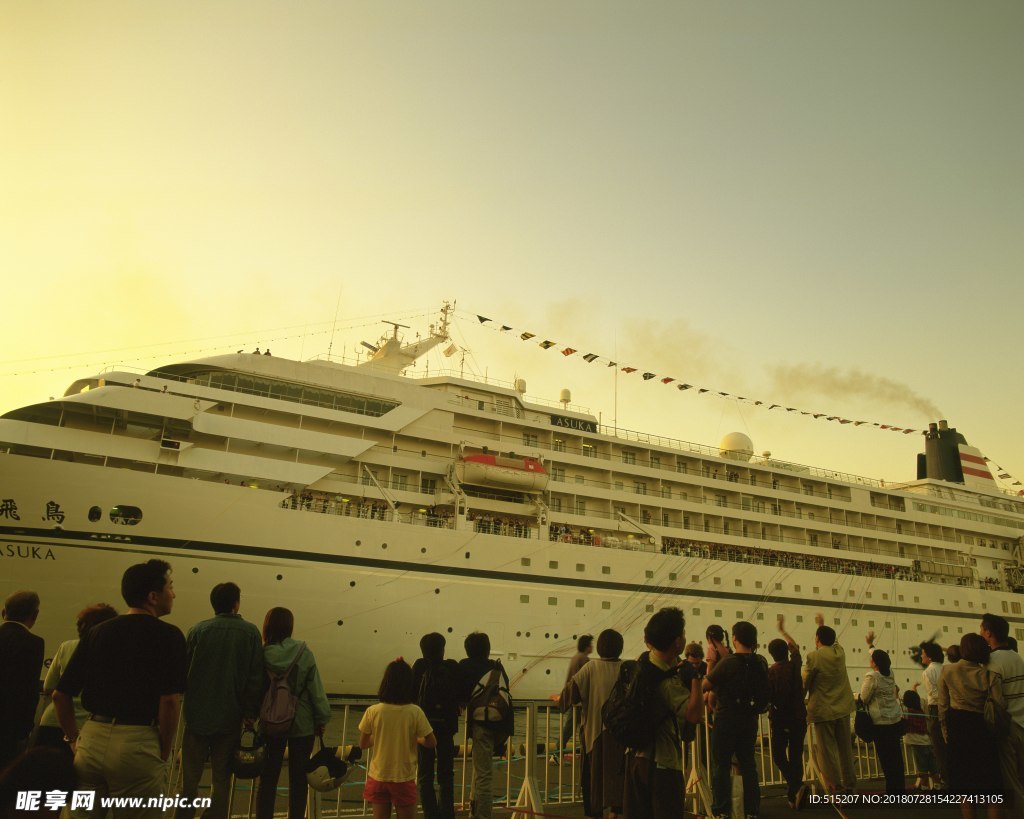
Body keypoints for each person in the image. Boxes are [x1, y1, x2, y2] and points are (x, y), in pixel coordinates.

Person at [53, 560, 187, 817]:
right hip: (137, 742)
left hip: (91, 738)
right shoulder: (169, 635)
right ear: (152, 596)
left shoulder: (97, 632)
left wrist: (73, 738)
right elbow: (170, 701)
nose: (174, 593)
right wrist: (164, 750)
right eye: (170, 587)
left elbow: (60, 695)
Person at [176, 583, 264, 819]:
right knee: (221, 779)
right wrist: (250, 713)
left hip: (196, 716)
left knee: (189, 779)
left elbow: (182, 672)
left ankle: (183, 816)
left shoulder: (197, 630)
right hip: (229, 717)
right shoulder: (251, 633)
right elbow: (256, 678)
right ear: (236, 603)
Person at [622, 607, 702, 819]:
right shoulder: (666, 681)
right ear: (677, 642)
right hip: (662, 764)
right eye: (683, 634)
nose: (685, 638)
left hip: (635, 758)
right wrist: (695, 679)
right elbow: (693, 714)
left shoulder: (643, 662)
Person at [256, 608, 331, 819]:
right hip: (302, 723)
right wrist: (322, 717)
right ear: (290, 627)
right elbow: (316, 689)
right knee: (298, 780)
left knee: (268, 778)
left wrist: (251, 715)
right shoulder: (303, 652)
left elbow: (256, 687)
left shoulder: (262, 653)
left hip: (271, 722)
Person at [704, 620, 767, 819]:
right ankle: (752, 810)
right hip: (749, 718)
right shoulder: (761, 661)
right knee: (748, 763)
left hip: (726, 718)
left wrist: (709, 665)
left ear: (735, 638)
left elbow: (707, 684)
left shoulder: (729, 662)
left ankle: (721, 810)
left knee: (720, 765)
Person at [33, 603, 118, 752]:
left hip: (52, 721)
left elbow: (48, 687)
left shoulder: (66, 646)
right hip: (85, 726)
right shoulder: (111, 653)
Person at [360, 659, 437, 819]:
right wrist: (417, 739)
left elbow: (363, 743)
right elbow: (431, 742)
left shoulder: (373, 711)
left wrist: (379, 737)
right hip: (403, 777)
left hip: (378, 776)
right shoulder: (415, 712)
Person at [938, 634, 1004, 816]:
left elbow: (942, 707)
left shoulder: (947, 671)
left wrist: (945, 733)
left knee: (964, 787)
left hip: (958, 728)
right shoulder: (989, 675)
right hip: (983, 728)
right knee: (992, 788)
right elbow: (999, 706)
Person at [564, 629, 625, 819]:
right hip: (622, 735)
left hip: (594, 733)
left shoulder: (591, 668)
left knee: (592, 776)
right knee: (619, 774)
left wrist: (559, 699)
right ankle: (616, 812)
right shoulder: (627, 668)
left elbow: (570, 696)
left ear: (599, 648)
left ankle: (594, 813)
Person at [458, 632, 510, 819]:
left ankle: (482, 816)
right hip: (499, 725)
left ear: (467, 649)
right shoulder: (496, 666)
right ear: (487, 650)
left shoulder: (464, 666)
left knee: (483, 775)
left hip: (481, 725)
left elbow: (460, 694)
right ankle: (475, 813)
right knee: (481, 771)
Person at [803, 613, 856, 794]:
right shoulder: (839, 653)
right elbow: (833, 641)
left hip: (823, 711)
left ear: (817, 639)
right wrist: (822, 625)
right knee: (845, 750)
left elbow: (805, 683)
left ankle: (835, 787)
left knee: (827, 753)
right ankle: (850, 785)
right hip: (843, 708)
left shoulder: (813, 657)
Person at [412, 633, 461, 819]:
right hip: (447, 727)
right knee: (446, 774)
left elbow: (411, 693)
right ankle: (447, 813)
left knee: (425, 774)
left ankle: (430, 814)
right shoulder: (451, 667)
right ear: (442, 649)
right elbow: (462, 693)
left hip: (424, 728)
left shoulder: (419, 667)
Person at [980, 613, 1024, 815]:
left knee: (1011, 781)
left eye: (982, 630)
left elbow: (995, 699)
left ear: (989, 633)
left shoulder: (992, 662)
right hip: (1023, 721)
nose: (980, 633)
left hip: (1007, 727)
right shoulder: (1017, 657)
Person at [0, 591, 44, 771]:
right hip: (11, 725)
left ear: (4, 612)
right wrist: (25, 729)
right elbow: (28, 688)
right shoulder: (33, 643)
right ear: (35, 615)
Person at [767, 616, 807, 809]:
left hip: (781, 720)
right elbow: (795, 649)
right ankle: (794, 795)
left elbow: (771, 696)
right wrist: (783, 631)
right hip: (799, 718)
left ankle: (796, 787)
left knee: (778, 755)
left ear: (771, 654)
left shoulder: (771, 672)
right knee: (796, 754)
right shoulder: (795, 665)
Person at [859, 647, 904, 795]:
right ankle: (899, 790)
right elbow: (879, 657)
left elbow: (864, 698)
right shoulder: (890, 673)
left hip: (881, 723)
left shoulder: (872, 677)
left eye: (872, 659)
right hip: (895, 721)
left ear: (875, 663)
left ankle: (892, 792)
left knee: (886, 759)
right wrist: (871, 646)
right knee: (896, 758)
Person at [918, 641, 949, 786]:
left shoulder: (928, 671)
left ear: (929, 657)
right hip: (949, 707)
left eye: (923, 653)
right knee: (948, 743)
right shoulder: (945, 669)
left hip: (935, 708)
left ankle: (944, 778)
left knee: (938, 745)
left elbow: (933, 693)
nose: (921, 656)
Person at [558, 634, 593, 754]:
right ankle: (558, 752)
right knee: (574, 726)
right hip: (579, 698)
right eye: (590, 645)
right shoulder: (584, 659)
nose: (592, 647)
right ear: (587, 646)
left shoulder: (575, 657)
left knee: (573, 726)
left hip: (572, 695)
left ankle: (578, 751)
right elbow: (587, 679)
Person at [902, 689, 939, 791]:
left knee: (922, 770)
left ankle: (925, 789)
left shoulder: (906, 711)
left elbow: (896, 704)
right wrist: (914, 689)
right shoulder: (921, 710)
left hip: (917, 744)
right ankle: (937, 787)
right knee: (933, 768)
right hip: (927, 742)